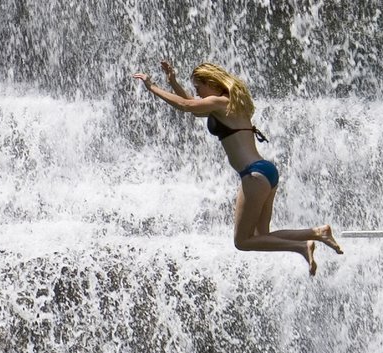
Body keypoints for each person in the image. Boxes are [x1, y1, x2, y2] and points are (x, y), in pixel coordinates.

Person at [132, 61, 342, 276]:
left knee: (242, 241)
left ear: (211, 83)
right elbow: (192, 107)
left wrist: (153, 87)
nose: (197, 93)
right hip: (266, 171)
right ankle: (318, 232)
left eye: (198, 87)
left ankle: (300, 246)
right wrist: (173, 82)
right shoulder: (232, 104)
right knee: (263, 234)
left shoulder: (219, 102)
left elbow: (186, 106)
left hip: (253, 175)